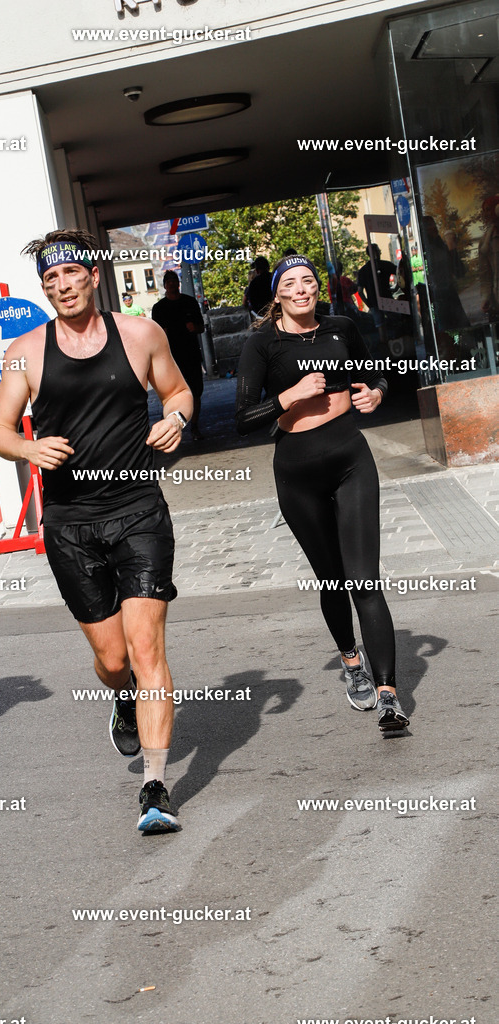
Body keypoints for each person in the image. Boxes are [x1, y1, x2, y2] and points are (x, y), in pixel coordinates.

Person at [0, 229, 193, 833]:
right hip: (71, 523)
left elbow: (178, 389)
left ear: (93, 277)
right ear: (45, 289)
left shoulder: (141, 334)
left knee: (147, 646)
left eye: (71, 274)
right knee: (112, 659)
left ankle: (156, 788)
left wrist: (176, 417)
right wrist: (29, 446)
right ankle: (121, 693)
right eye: (51, 280)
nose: (62, 286)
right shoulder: (25, 351)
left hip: (138, 510)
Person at [235, 254, 409, 733]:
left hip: (351, 457)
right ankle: (351, 661)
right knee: (332, 579)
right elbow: (243, 416)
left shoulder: (341, 327)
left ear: (317, 287)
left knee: (364, 581)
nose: (300, 289)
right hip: (297, 472)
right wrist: (290, 396)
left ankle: (389, 694)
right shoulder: (260, 343)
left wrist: (376, 392)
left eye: (307, 281)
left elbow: (377, 372)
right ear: (277, 294)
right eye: (289, 283)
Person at [151, 270, 205, 440]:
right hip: (170, 358)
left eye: (174, 281)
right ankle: (167, 428)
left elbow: (201, 327)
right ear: (165, 285)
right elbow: (155, 335)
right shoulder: (159, 308)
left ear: (178, 283)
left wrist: (193, 328)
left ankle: (195, 426)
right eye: (169, 282)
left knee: (196, 391)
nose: (172, 284)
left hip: (191, 354)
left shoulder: (190, 302)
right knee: (169, 394)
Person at [357, 244, 397, 346]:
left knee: (381, 329)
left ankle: (386, 352)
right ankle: (396, 349)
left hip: (374, 302)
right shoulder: (385, 265)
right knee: (396, 324)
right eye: (378, 250)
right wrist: (397, 290)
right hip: (387, 299)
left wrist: (368, 303)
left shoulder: (363, 271)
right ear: (375, 252)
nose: (380, 252)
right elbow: (400, 272)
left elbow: (360, 291)